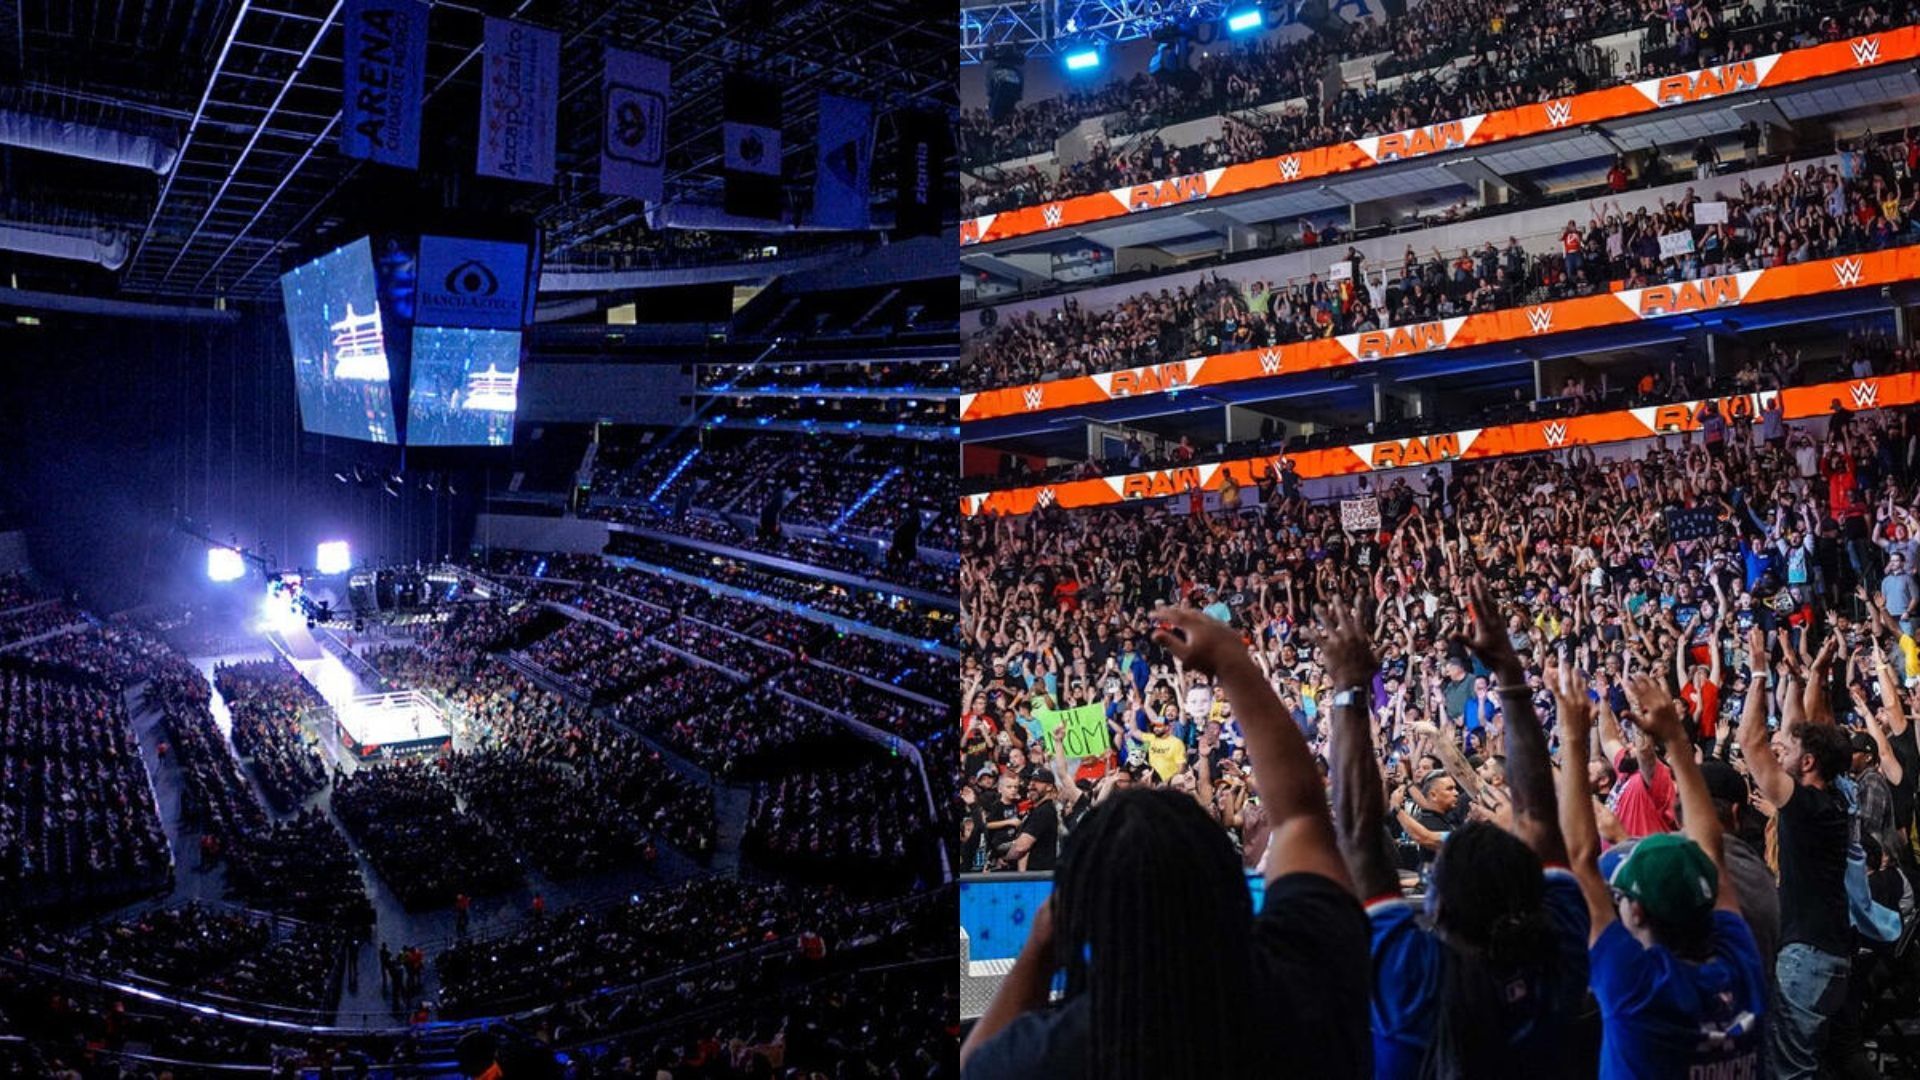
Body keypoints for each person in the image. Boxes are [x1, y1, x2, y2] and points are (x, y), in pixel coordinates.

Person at [960, 607, 1370, 1078]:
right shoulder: (1304, 984)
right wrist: (1232, 661)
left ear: (1079, 915)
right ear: (1226, 887)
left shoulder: (1047, 1057)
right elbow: (1301, 814)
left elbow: (976, 1063)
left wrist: (1043, 941)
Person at [1324, 582, 1590, 1078]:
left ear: (1437, 907)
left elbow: (1360, 830)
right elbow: (1538, 817)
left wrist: (1346, 688)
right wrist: (1508, 672)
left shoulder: (1416, 982)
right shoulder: (1561, 952)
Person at [1554, 646, 1767, 1079]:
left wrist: (1575, 738)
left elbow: (1579, 857)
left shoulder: (1636, 988)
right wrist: (1675, 737)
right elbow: (1711, 850)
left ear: (1634, 909)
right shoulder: (1741, 967)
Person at [1740, 628, 1854, 1079]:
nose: (1780, 747)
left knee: (1788, 1072)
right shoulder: (1833, 800)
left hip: (1807, 956)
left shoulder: (1807, 806)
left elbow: (1752, 743)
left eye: (1790, 749)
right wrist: (1812, 674)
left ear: (1808, 764)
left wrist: (1759, 672)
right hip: (1831, 953)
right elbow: (1801, 729)